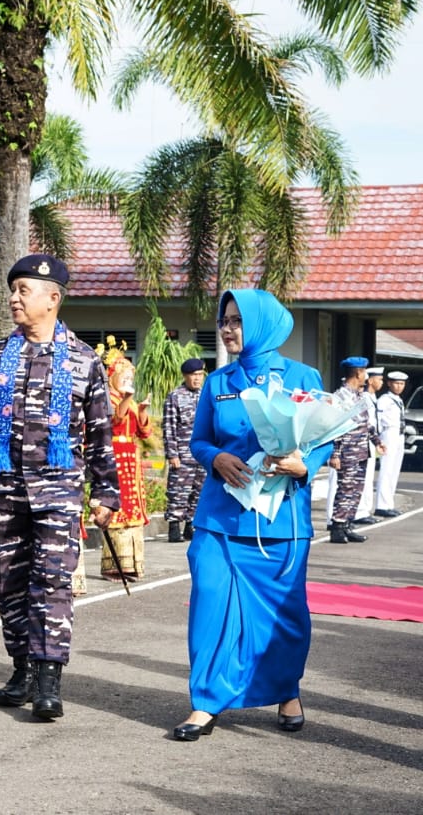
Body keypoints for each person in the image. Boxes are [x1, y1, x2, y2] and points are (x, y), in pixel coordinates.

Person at [0, 254, 119, 721]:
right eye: (14, 290)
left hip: (59, 492)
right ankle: (21, 670)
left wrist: (106, 493)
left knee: (53, 582)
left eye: (24, 290)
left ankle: (49, 681)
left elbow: (102, 433)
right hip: (5, 488)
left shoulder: (85, 361)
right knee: (10, 582)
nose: (14, 298)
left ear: (53, 298)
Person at [172, 289, 331, 742]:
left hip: (282, 521)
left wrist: (307, 466)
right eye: (225, 320)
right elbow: (199, 441)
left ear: (262, 324)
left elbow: (324, 439)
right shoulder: (219, 382)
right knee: (209, 602)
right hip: (220, 517)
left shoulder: (302, 377)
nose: (227, 328)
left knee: (284, 615)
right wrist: (216, 458)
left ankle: (286, 690)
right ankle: (206, 702)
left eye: (237, 321)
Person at [98, 346, 151, 580]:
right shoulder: (106, 399)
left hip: (131, 453)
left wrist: (141, 411)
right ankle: (114, 565)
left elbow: (145, 432)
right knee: (117, 505)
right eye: (124, 377)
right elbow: (115, 421)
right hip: (115, 453)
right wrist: (128, 399)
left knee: (133, 505)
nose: (128, 382)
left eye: (131, 378)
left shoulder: (129, 401)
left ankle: (133, 563)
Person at [327, 357, 381, 544]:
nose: (366, 376)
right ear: (358, 373)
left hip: (361, 450)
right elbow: (335, 427)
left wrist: (376, 441)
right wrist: (335, 454)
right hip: (347, 451)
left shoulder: (359, 396)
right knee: (345, 489)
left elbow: (366, 424)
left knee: (356, 490)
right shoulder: (340, 397)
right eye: (365, 372)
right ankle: (337, 527)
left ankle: (348, 524)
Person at [163, 359, 207, 543]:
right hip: (183, 454)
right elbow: (168, 427)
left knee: (199, 492)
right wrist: (172, 454)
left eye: (200, 375)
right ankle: (174, 526)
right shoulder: (175, 396)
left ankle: (191, 525)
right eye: (193, 375)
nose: (197, 379)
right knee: (178, 491)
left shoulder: (206, 395)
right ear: (185, 376)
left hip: (203, 455)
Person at [354, 366, 385, 525]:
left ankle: (365, 509)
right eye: (379, 379)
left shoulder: (373, 398)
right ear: (371, 380)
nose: (382, 382)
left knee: (368, 477)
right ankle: (359, 511)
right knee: (362, 478)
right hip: (362, 440)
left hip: (371, 440)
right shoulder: (364, 397)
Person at [375, 371, 409, 517]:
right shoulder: (384, 399)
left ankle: (389, 503)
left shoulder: (398, 400)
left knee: (394, 470)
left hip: (399, 433)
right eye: (396, 383)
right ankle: (382, 505)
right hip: (388, 433)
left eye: (402, 384)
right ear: (389, 383)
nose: (399, 386)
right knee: (387, 469)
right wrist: (379, 438)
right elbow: (378, 419)